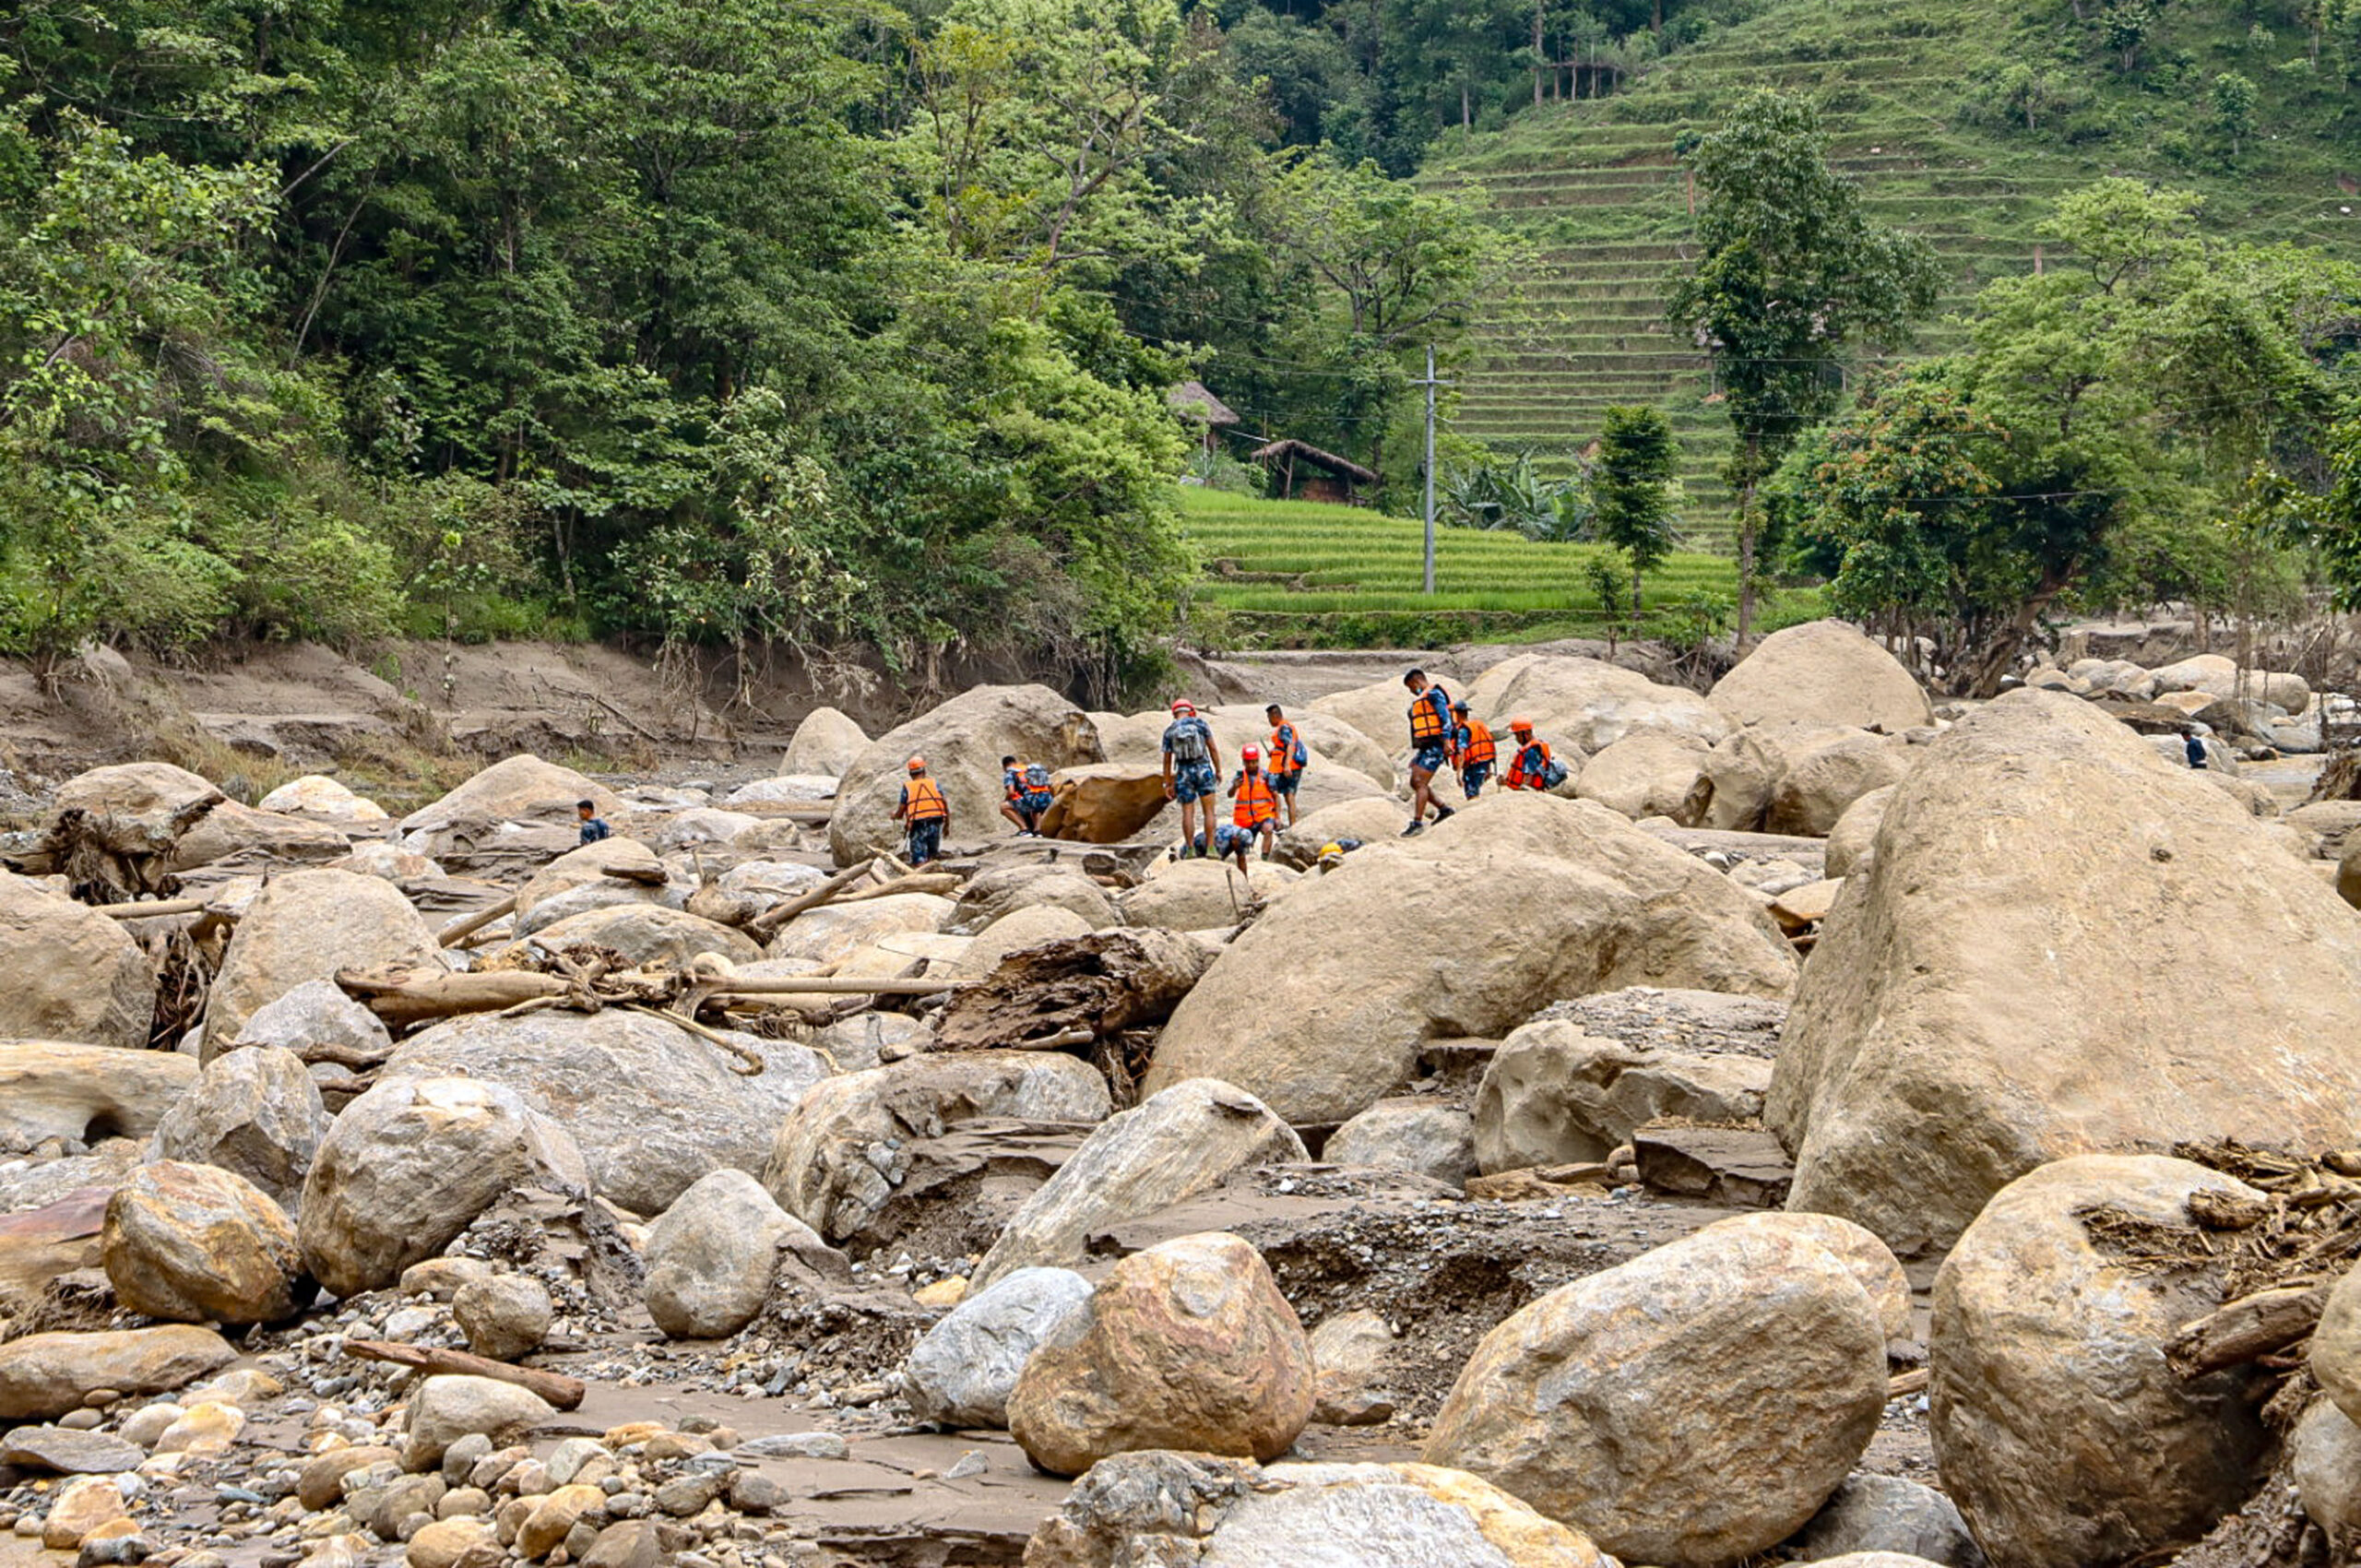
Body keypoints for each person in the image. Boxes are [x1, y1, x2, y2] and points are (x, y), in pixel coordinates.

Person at [1161, 698, 1222, 858]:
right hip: (1203, 770)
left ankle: (1190, 849)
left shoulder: (1170, 731)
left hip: (1183, 773)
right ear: (1190, 710)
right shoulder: (1200, 725)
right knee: (1209, 812)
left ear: (1174, 713)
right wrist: (1218, 770)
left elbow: (1167, 760)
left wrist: (1167, 783)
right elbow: (1213, 749)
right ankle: (1211, 848)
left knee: (1188, 812)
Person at [1401, 669, 1458, 836]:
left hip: (1437, 744)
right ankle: (1444, 809)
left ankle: (1417, 823)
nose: (1411, 691)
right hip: (1427, 746)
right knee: (1415, 781)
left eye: (1411, 687)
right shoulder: (1424, 697)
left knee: (1419, 782)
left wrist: (1447, 742)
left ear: (1417, 681)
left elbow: (1445, 718)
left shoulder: (1434, 694)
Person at [1223, 745, 1281, 869]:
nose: (1251, 765)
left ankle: (1264, 858)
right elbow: (1229, 794)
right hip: (1244, 820)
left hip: (1263, 815)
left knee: (1268, 830)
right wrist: (1234, 787)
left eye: (1254, 762)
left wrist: (1277, 817)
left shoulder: (1266, 776)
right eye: (1248, 762)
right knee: (1242, 845)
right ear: (1244, 762)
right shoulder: (1239, 776)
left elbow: (1276, 796)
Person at [892, 755, 950, 865]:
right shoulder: (934, 783)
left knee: (919, 859)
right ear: (924, 771)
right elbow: (944, 803)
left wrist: (894, 815)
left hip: (918, 824)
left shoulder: (908, 787)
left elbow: (901, 811)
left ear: (910, 774)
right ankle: (934, 876)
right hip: (935, 821)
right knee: (932, 855)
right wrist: (947, 825)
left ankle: (921, 876)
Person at [1264, 704, 1307, 827]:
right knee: (1290, 795)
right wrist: (1274, 750)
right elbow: (1284, 745)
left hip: (1284, 767)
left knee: (1273, 791)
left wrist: (1287, 765)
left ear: (1275, 715)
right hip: (1292, 766)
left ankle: (1277, 822)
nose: (1269, 721)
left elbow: (1290, 745)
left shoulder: (1284, 727)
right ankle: (1292, 824)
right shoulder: (1286, 726)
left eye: (1269, 717)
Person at [1503, 719, 1564, 791]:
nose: (1516, 739)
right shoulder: (1532, 747)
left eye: (1517, 735)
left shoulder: (1532, 751)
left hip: (1529, 791)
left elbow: (1529, 777)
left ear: (1526, 734)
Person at [999, 755, 1052, 837]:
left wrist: (1006, 800)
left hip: (1031, 801)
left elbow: (1011, 792)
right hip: (1046, 800)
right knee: (1035, 804)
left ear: (1004, 766)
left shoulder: (1010, 773)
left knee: (1004, 807)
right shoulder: (1028, 769)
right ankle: (1038, 831)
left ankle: (1024, 830)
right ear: (1015, 763)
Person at [1453, 701, 1495, 800]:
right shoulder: (1478, 725)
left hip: (1472, 766)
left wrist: (1458, 774)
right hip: (1484, 764)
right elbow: (1486, 747)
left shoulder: (1463, 731)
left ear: (1457, 714)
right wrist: (1489, 769)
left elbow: (1461, 752)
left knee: (1472, 793)